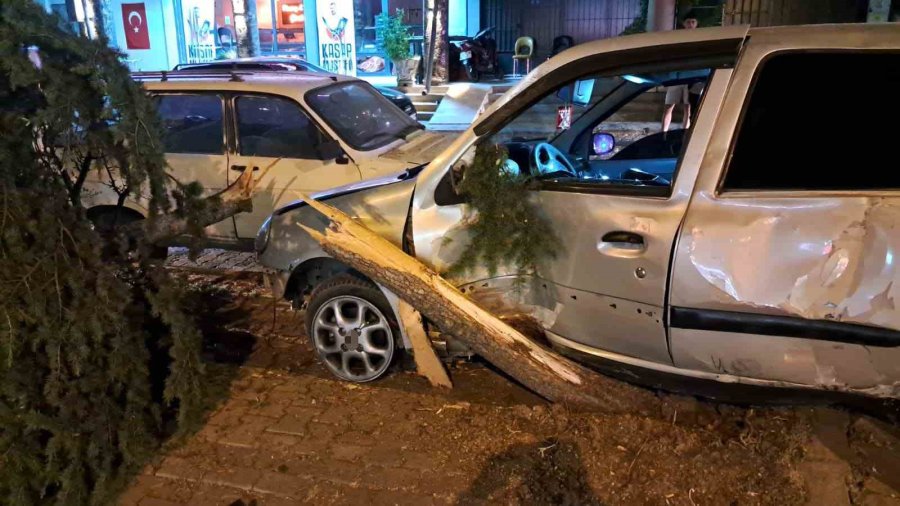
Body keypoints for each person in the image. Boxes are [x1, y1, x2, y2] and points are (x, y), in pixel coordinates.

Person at [662, 12, 699, 132]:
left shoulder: (700, 38)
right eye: (688, 22)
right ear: (684, 24)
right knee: (668, 107)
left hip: (692, 78)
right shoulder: (677, 37)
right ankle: (663, 133)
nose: (691, 24)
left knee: (688, 108)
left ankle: (685, 133)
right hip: (677, 77)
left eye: (693, 22)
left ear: (696, 24)